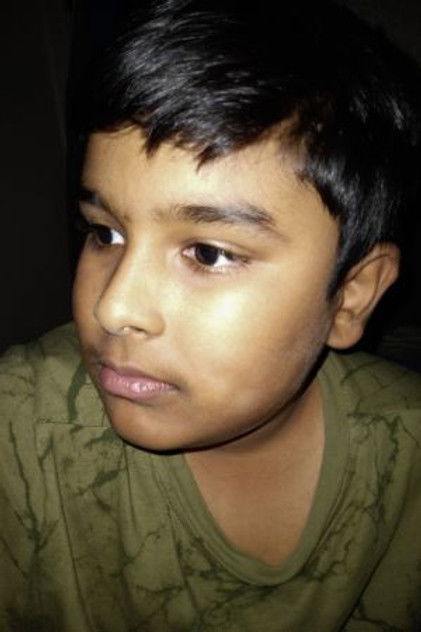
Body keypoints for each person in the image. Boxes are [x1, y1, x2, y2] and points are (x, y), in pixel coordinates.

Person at [1, 1, 421, 630]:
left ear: (351, 295)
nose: (114, 307)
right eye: (105, 233)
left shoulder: (408, 459)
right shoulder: (20, 430)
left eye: (208, 253)